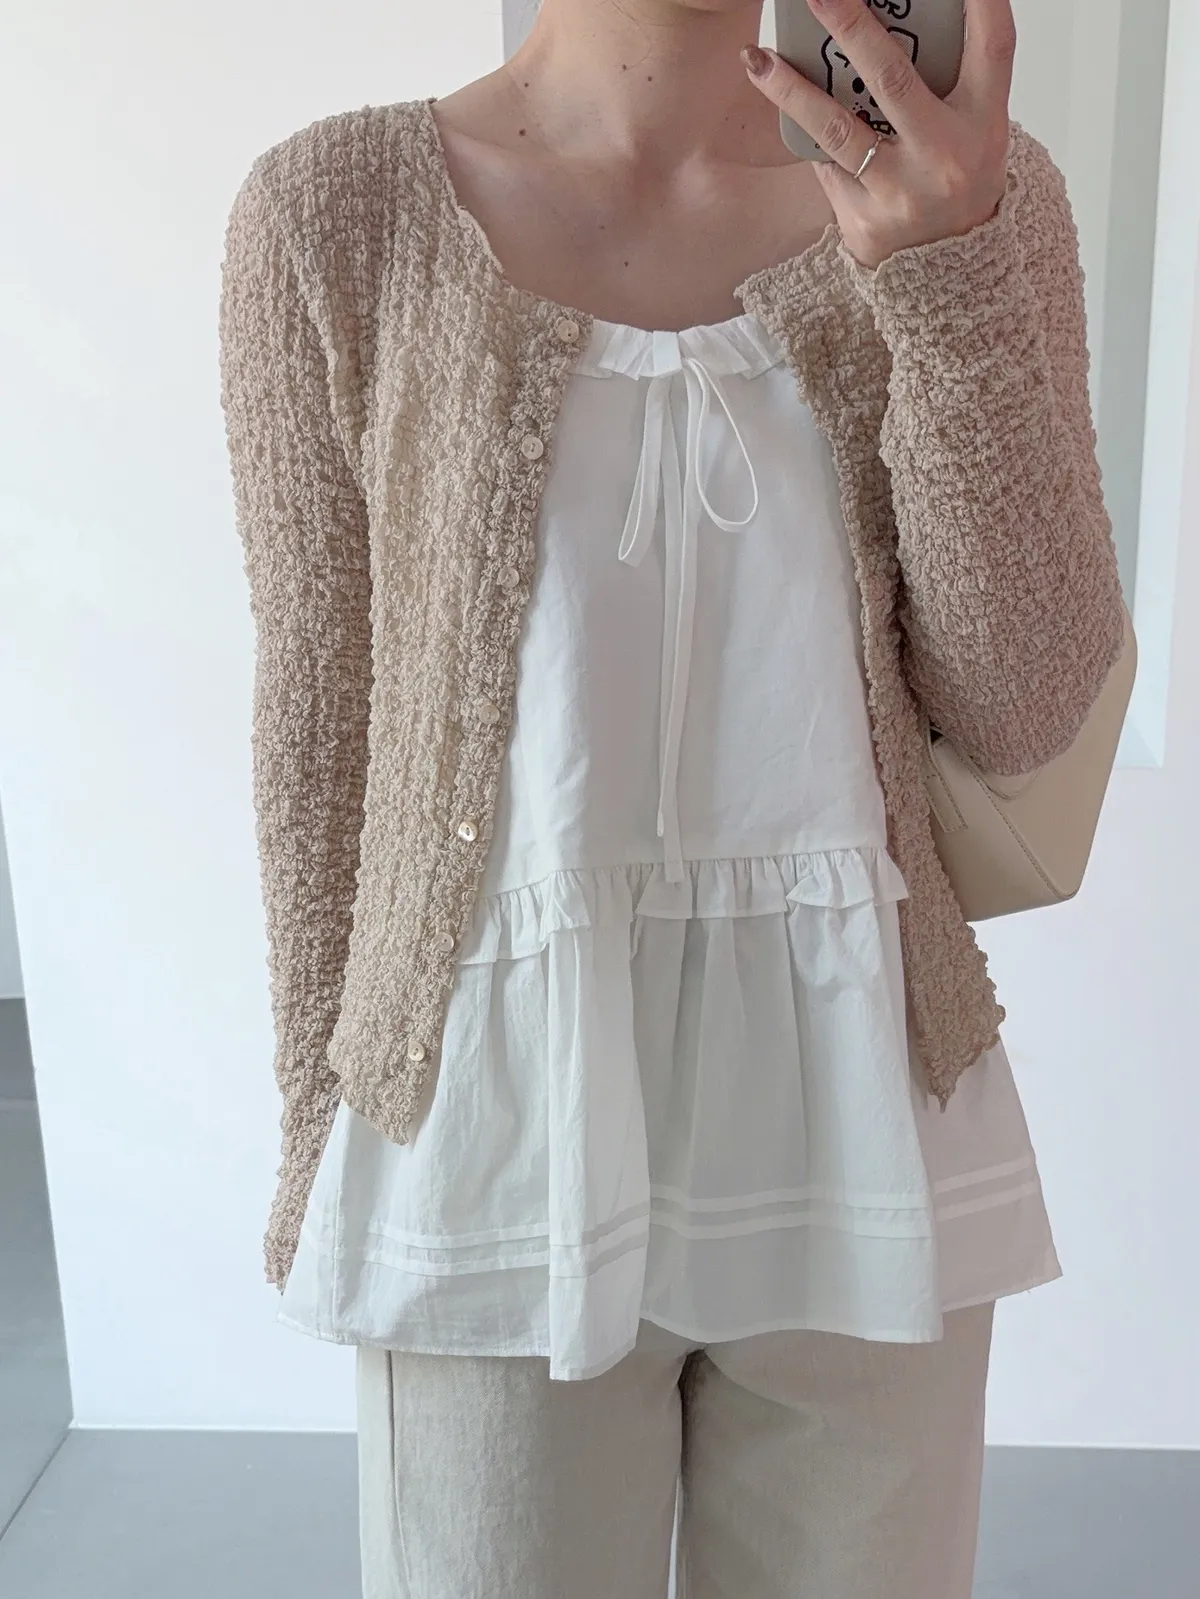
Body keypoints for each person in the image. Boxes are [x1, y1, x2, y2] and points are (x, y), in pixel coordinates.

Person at [216, 0, 1127, 1594]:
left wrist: (949, 276)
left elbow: (1028, 698)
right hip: (489, 1153)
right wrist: (319, 1134)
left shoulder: (968, 192)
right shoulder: (334, 215)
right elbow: (321, 731)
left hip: (864, 1142)